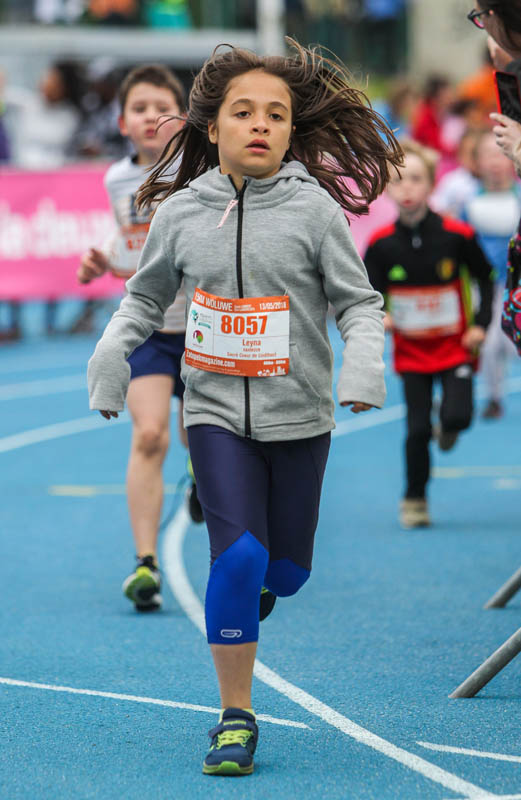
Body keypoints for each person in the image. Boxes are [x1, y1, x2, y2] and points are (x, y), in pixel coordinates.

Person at [87, 40, 402, 775]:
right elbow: (143, 298)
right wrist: (110, 358)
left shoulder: (314, 212)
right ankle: (235, 715)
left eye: (276, 115)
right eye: (243, 112)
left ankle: (258, 582)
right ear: (213, 126)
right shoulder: (179, 213)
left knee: (285, 573)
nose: (260, 124)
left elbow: (359, 304)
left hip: (300, 418)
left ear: (291, 131)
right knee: (239, 558)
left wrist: (363, 362)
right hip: (214, 412)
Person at [78, 64, 204, 614]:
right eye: (139, 108)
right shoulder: (115, 180)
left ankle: (202, 478)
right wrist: (103, 260)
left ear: (183, 117)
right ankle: (146, 563)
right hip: (149, 327)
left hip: (204, 324)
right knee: (150, 435)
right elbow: (133, 244)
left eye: (162, 107)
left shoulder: (201, 167)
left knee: (203, 438)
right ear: (122, 121)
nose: (151, 116)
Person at [364, 139, 493, 530]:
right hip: (412, 352)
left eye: (416, 179)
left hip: (456, 347)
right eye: (398, 180)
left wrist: (479, 325)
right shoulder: (381, 245)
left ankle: (449, 428)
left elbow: (486, 279)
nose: (407, 188)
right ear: (387, 188)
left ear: (432, 184)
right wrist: (381, 315)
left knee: (458, 417)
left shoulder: (457, 234)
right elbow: (367, 293)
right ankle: (414, 498)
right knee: (417, 429)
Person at [461, 131, 520, 418]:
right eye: (487, 155)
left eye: (500, 154)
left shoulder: (518, 195)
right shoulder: (470, 201)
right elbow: (460, 240)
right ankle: (494, 397)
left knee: (511, 344)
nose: (495, 162)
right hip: (486, 285)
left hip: (516, 282)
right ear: (477, 162)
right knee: (491, 344)